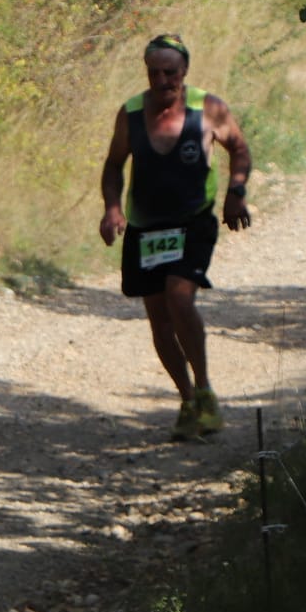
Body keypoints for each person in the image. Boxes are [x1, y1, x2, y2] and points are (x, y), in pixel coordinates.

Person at [99, 34, 253, 439]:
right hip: (146, 226)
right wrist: (112, 208)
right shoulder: (131, 112)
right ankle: (187, 399)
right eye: (154, 72)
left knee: (180, 297)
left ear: (185, 72)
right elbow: (114, 165)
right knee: (159, 319)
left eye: (171, 72)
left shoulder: (209, 108)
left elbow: (239, 149)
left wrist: (236, 192)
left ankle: (204, 390)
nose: (163, 79)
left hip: (193, 220)